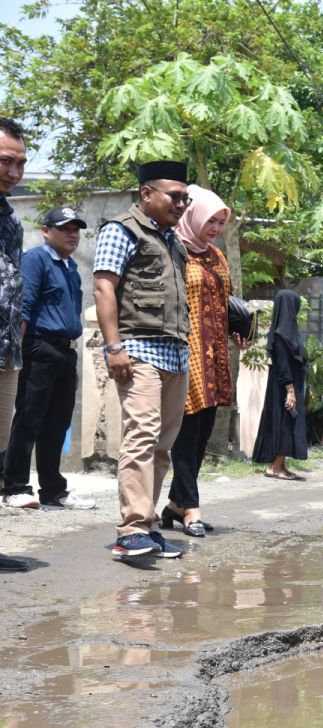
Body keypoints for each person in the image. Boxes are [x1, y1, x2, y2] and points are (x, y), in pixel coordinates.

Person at [93, 160, 193, 560]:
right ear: (146, 194)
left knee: (163, 446)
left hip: (173, 354)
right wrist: (114, 347)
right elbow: (103, 287)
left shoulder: (173, 240)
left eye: (186, 197)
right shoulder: (121, 230)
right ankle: (131, 529)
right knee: (142, 437)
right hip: (138, 351)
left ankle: (148, 527)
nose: (182, 204)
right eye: (175, 196)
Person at [2, 207, 95, 511]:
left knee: (57, 424)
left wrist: (74, 361)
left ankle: (53, 489)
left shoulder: (70, 267)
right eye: (65, 228)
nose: (72, 235)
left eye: (76, 230)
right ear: (46, 230)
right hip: (38, 348)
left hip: (65, 353)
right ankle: (14, 486)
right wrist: (18, 353)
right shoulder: (36, 260)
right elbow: (24, 309)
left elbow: (70, 317)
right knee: (29, 419)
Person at [164, 185, 241, 536]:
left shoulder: (216, 256)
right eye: (210, 220)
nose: (215, 228)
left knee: (203, 432)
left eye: (220, 222)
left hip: (215, 353)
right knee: (186, 430)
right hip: (186, 350)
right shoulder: (174, 251)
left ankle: (176, 504)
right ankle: (191, 507)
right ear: (193, 216)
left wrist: (238, 325)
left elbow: (227, 299)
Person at [0, 116, 29, 571]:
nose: (13, 171)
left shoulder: (10, 219)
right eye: (6, 161)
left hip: (6, 350)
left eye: (21, 163)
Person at [252, 290, 307, 479]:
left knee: (285, 423)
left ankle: (279, 465)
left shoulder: (285, 332)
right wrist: (290, 390)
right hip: (285, 386)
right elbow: (283, 365)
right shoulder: (283, 334)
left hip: (284, 386)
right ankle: (275, 467)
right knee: (285, 425)